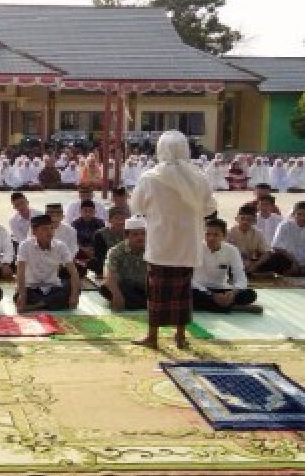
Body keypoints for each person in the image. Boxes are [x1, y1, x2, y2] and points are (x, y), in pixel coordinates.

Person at [129, 130, 218, 349]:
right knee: (182, 292)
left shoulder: (150, 177)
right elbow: (209, 209)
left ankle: (153, 336)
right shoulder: (199, 177)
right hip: (188, 244)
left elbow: (137, 207)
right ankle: (180, 336)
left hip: (161, 245)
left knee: (157, 293)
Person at [192, 218, 260, 313]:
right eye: (208, 234)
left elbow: (240, 276)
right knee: (186, 295)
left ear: (224, 236)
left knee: (250, 294)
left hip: (222, 289)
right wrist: (211, 294)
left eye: (216, 235)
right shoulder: (195, 249)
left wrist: (233, 293)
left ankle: (219, 305)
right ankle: (234, 308)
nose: (211, 238)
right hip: (200, 289)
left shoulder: (232, 250)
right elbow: (189, 278)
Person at [15, 213, 80, 311]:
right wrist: (22, 295)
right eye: (45, 229)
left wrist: (74, 296)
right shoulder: (25, 245)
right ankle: (49, 303)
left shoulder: (60, 246)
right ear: (34, 232)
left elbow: (73, 272)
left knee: (72, 288)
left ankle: (38, 305)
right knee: (18, 296)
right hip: (32, 287)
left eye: (51, 228)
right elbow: (20, 272)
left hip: (53, 286)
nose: (49, 232)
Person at [99, 216, 149, 311]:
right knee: (105, 288)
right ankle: (144, 304)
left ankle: (140, 303)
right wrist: (117, 295)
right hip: (126, 288)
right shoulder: (115, 251)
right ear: (126, 236)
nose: (140, 237)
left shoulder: (153, 250)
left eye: (143, 234)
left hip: (149, 289)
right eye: (135, 234)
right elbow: (109, 276)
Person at [228, 206, 291, 275]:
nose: (245, 222)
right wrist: (241, 261)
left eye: (249, 220)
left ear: (254, 221)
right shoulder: (229, 232)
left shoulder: (258, 233)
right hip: (233, 262)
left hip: (251, 263)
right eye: (242, 219)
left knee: (279, 258)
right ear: (236, 219)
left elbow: (267, 252)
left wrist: (255, 265)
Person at [89, 205, 127, 277]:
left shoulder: (130, 233)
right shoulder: (100, 234)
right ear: (110, 220)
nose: (120, 222)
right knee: (94, 263)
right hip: (107, 263)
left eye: (123, 218)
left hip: (126, 263)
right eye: (116, 218)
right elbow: (100, 256)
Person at [70, 199, 105, 275]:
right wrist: (84, 249)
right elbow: (73, 241)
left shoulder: (100, 223)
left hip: (95, 251)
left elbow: (102, 239)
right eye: (85, 211)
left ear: (94, 212)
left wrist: (93, 251)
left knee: (101, 262)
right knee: (77, 264)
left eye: (90, 211)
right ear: (80, 212)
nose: (88, 213)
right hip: (80, 251)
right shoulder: (75, 224)